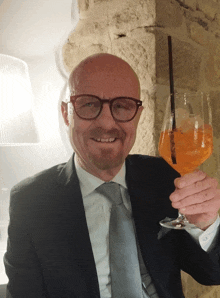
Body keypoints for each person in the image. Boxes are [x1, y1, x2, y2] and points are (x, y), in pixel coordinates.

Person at [4, 53, 220, 298]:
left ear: (137, 115)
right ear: (66, 113)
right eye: (88, 104)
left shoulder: (164, 179)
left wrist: (207, 225)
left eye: (122, 105)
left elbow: (212, 274)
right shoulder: (30, 201)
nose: (106, 122)